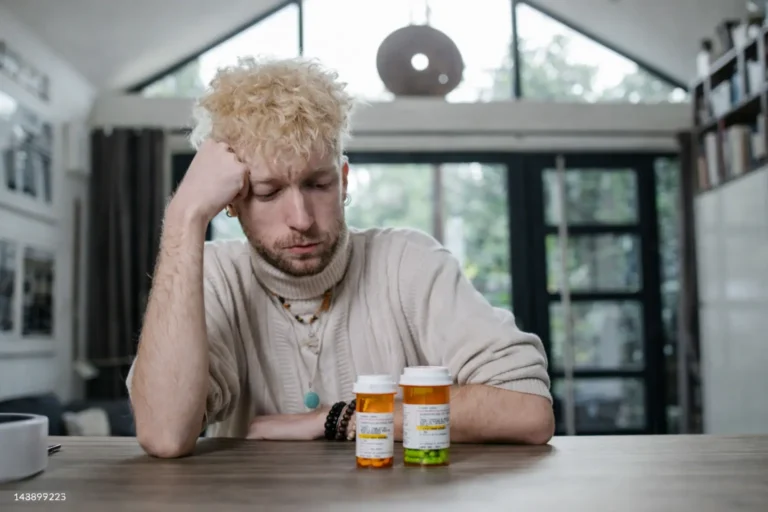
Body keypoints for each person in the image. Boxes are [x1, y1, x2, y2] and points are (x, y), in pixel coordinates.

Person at [126, 57, 554, 458]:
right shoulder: (215, 275)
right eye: (269, 192)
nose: (302, 219)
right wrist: (184, 216)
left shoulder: (410, 263)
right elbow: (164, 435)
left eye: (318, 184)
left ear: (344, 180)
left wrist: (338, 418)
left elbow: (528, 409)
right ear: (232, 201)